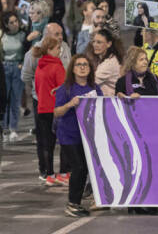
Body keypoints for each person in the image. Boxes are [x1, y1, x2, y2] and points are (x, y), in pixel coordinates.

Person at [54, 54, 102, 217]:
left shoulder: (95, 88)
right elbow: (56, 112)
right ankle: (72, 203)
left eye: (85, 65)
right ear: (72, 69)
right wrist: (69, 104)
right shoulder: (65, 89)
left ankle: (76, 202)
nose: (82, 67)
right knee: (79, 167)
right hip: (69, 135)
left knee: (85, 168)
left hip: (88, 136)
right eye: (79, 65)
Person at [33, 36, 66, 187]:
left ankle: (49, 174)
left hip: (42, 109)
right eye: (58, 48)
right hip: (56, 110)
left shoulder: (40, 66)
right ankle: (64, 173)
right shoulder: (57, 66)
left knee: (47, 144)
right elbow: (64, 89)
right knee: (65, 142)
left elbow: (38, 88)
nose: (60, 51)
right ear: (49, 50)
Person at [1, 11, 27, 142]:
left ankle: (13, 128)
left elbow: (27, 51)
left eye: (16, 21)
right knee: (4, 99)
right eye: (11, 22)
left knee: (15, 99)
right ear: (6, 24)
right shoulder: (2, 35)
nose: (15, 24)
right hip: (4, 67)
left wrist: (22, 63)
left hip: (17, 68)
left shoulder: (22, 35)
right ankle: (4, 128)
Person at [87, 29, 123, 96]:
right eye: (94, 41)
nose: (95, 45)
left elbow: (90, 84)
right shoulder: (107, 58)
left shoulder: (109, 64)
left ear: (109, 44)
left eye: (99, 42)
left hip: (109, 102)